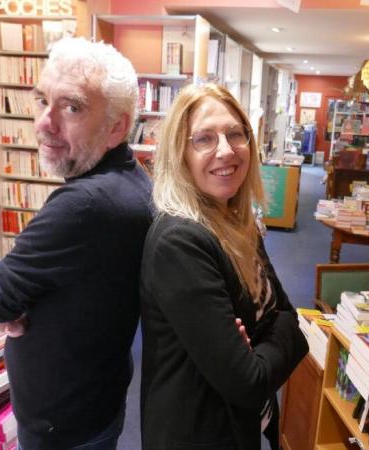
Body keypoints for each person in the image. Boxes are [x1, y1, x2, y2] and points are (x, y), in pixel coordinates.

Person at [0, 37, 152, 450]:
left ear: (117, 125)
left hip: (65, 425)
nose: (46, 122)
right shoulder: (130, 181)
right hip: (94, 398)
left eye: (72, 107)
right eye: (42, 99)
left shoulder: (85, 205)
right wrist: (16, 297)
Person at [139, 83, 308, 450]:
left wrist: (268, 335)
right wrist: (280, 330)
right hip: (197, 433)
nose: (226, 150)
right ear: (178, 153)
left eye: (235, 134)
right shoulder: (180, 242)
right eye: (204, 139)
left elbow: (290, 317)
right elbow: (249, 381)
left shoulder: (234, 220)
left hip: (237, 427)